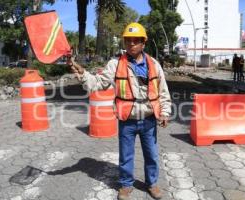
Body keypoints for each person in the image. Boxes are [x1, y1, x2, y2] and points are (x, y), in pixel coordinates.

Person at [68, 22, 171, 200]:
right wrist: (82, 73)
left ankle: (152, 184)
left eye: (135, 41)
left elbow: (163, 90)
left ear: (143, 43)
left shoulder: (153, 64)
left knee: (152, 155)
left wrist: (165, 112)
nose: (131, 44)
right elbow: (98, 83)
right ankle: (126, 185)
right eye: (128, 41)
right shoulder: (115, 63)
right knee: (126, 156)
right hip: (127, 119)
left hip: (148, 118)